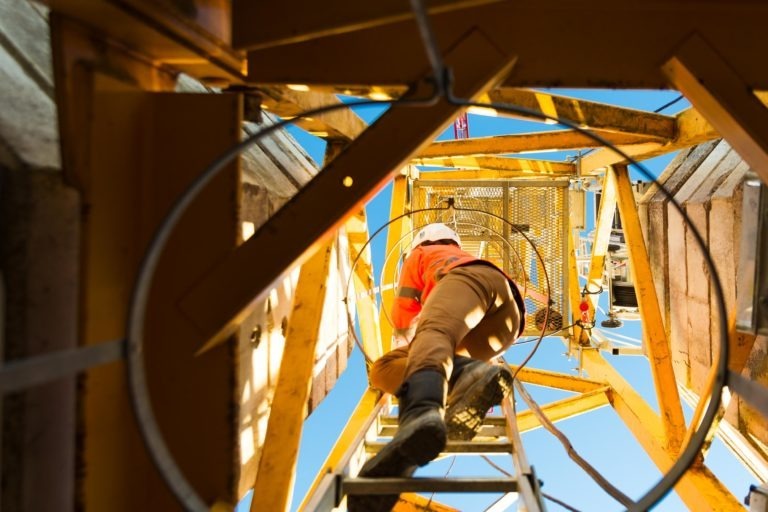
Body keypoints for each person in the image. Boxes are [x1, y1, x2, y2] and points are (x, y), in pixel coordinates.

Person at [348, 223, 526, 512]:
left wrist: (407, 340)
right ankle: (459, 385)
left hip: (468, 284)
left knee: (430, 336)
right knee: (386, 367)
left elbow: (404, 311)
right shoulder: (460, 253)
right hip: (506, 321)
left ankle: (422, 412)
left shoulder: (422, 253)